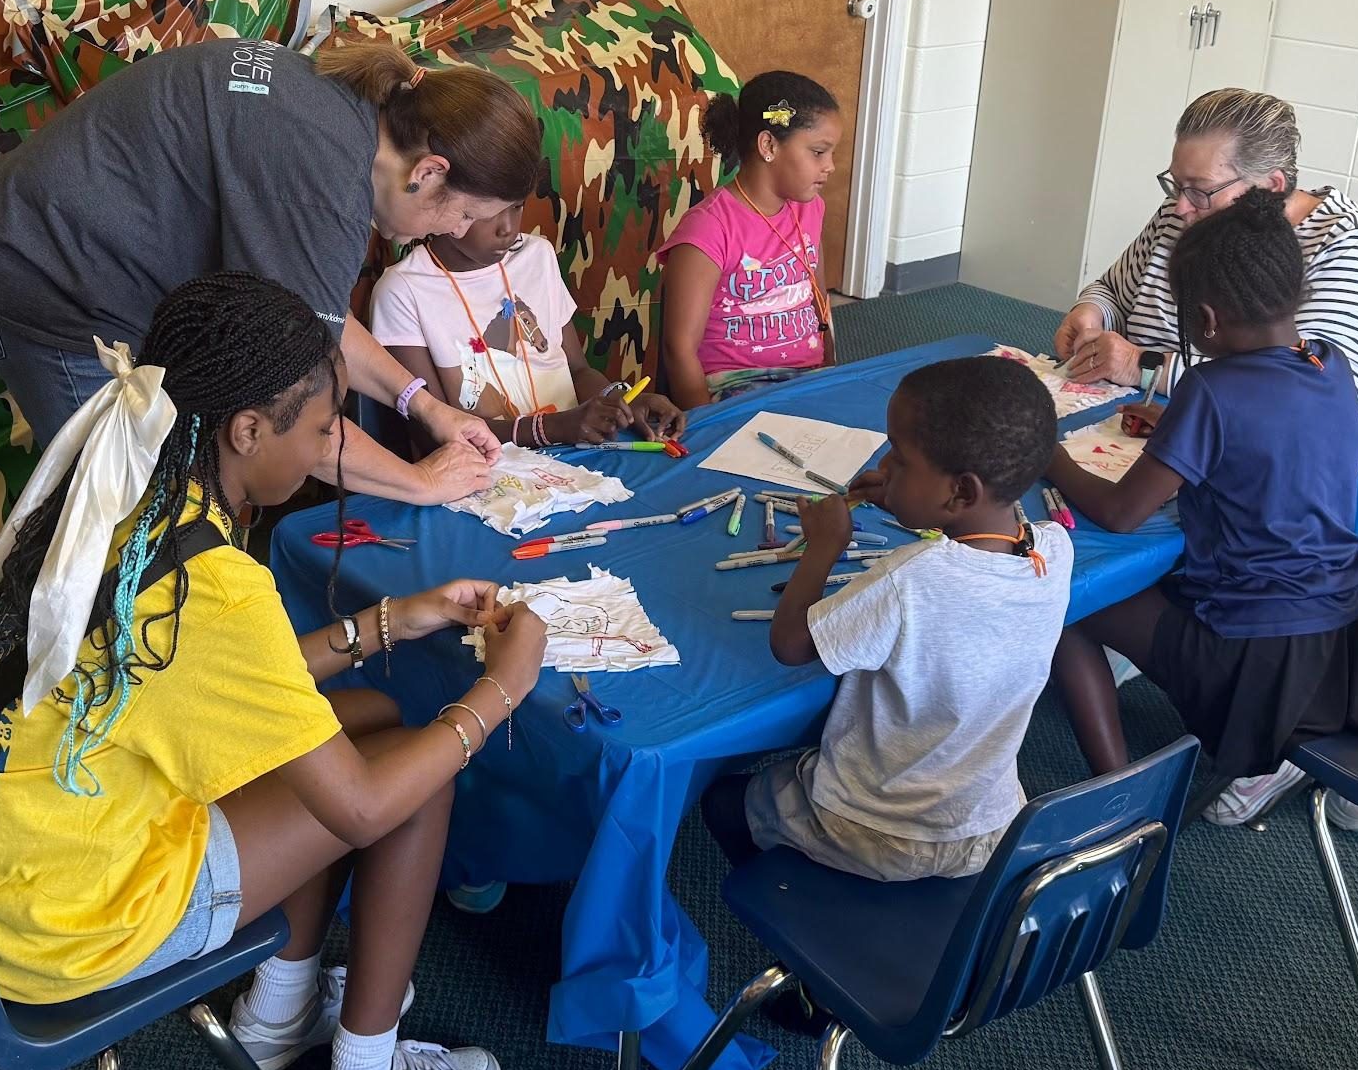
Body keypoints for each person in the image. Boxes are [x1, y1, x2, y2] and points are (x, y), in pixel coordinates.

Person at [0, 272, 550, 1070]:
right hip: (69, 919)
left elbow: (238, 683)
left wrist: (395, 619)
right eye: (324, 426)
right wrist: (503, 688)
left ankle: (278, 1010)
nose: (332, 445)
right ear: (248, 430)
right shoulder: (216, 582)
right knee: (419, 772)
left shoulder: (133, 482)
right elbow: (367, 805)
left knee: (371, 712)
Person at [1053, 87, 1358, 833]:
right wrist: (1093, 312)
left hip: (1327, 472)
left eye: (1201, 191)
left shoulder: (1331, 260)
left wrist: (1145, 376)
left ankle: (1134, 787)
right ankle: (1267, 686)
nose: (1181, 208)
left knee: (1074, 587)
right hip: (1298, 585)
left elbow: (1289, 414)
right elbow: (1120, 283)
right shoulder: (1303, 347)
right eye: (1176, 187)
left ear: (1268, 190)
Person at [0, 35, 542, 503]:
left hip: (70, 249)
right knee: (135, 530)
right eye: (465, 213)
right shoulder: (324, 181)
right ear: (431, 171)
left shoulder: (349, 111)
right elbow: (289, 406)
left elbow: (314, 319)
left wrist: (425, 404)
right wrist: (421, 482)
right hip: (46, 287)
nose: (460, 232)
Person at [703, 355, 1070, 885]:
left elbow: (791, 644)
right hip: (988, 824)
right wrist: (908, 499)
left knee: (722, 799)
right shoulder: (1055, 550)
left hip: (880, 831)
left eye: (900, 458)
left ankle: (801, 896)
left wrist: (824, 548)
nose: (886, 467)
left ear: (961, 492)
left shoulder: (909, 580)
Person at [370, 199, 685, 450]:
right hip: (486, 478)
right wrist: (553, 428)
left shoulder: (538, 255)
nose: (507, 227)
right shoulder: (402, 290)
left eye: (517, 205)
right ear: (450, 200)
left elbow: (577, 370)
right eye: (491, 211)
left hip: (579, 457)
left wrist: (623, 401)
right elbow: (433, 434)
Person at [659, 70, 843, 410]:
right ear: (768, 145)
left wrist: (832, 373)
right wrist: (704, 429)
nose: (830, 166)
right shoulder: (708, 229)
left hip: (807, 378)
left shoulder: (810, 209)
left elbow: (819, 299)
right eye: (818, 152)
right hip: (736, 389)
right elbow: (678, 349)